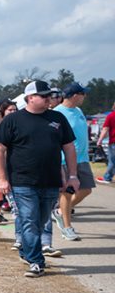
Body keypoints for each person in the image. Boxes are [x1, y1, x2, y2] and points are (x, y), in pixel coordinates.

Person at [0, 81, 77, 278]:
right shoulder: (13, 120)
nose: (49, 98)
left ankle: (26, 250)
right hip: (22, 181)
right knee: (30, 220)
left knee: (40, 220)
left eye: (50, 95)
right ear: (30, 98)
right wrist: (2, 178)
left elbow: (69, 147)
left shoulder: (58, 118)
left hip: (50, 180)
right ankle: (37, 261)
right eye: (44, 95)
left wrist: (72, 176)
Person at [51, 82, 95, 241]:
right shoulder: (57, 113)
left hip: (82, 158)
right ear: (75, 95)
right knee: (67, 193)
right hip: (65, 159)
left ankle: (61, 212)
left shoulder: (78, 110)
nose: (85, 96)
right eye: (83, 94)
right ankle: (67, 228)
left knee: (87, 189)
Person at [98, 101, 115, 184]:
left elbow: (105, 129)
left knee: (112, 161)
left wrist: (100, 140)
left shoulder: (110, 116)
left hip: (113, 141)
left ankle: (107, 177)